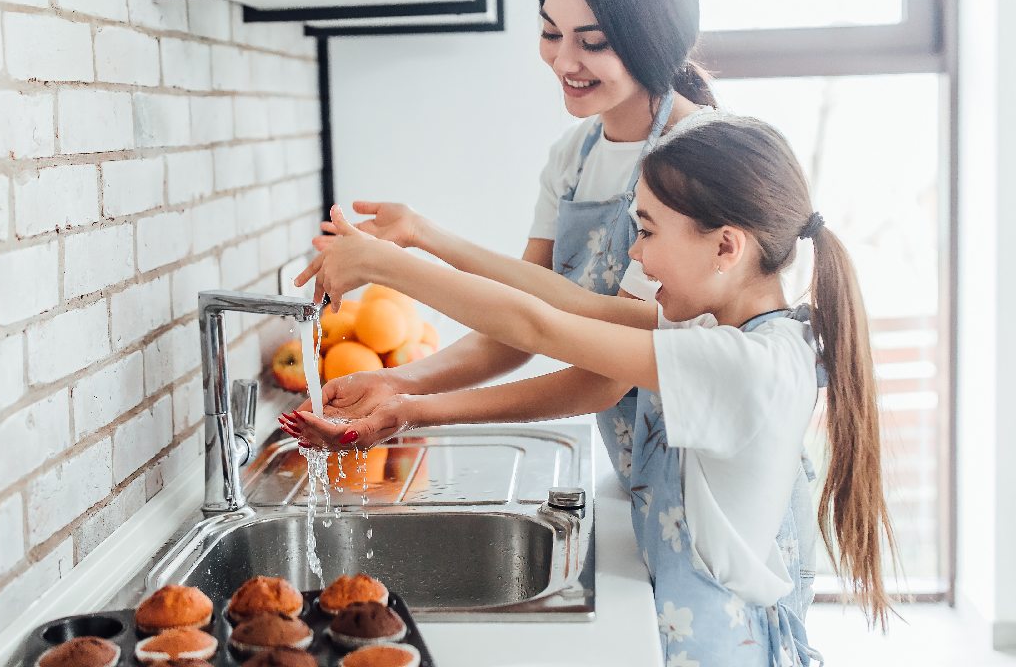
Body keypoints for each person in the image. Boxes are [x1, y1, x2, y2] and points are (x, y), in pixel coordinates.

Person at [302, 0, 816, 626]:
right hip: (644, 476)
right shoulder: (572, 160)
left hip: (716, 497)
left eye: (593, 41)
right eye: (550, 33)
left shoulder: (690, 165)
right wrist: (407, 382)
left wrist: (401, 269)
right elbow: (527, 318)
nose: (565, 61)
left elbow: (597, 351)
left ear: (651, 35)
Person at [285, 114, 899, 665]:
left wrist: (382, 268)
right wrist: (422, 237)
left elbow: (541, 327)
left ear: (725, 246)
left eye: (649, 231)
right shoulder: (737, 328)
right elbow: (569, 302)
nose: (637, 253)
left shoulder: (740, 364)